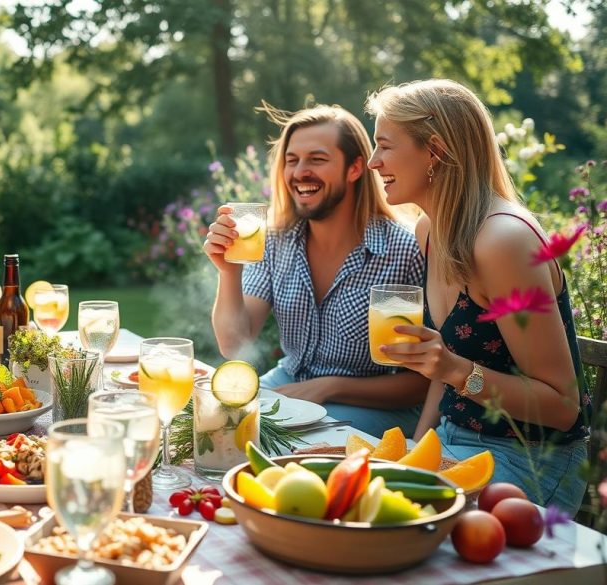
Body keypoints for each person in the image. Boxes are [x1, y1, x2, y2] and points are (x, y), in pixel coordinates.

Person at [365, 79, 590, 514]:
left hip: (527, 458)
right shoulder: (431, 230)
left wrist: (454, 369)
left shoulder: (504, 241)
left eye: (384, 146)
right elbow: (442, 367)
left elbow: (563, 407)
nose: (374, 161)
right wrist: (417, 443)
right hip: (451, 441)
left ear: (435, 151)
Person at [204, 104, 429, 439]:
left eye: (317, 159)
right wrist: (228, 271)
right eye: (291, 160)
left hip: (374, 406)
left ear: (355, 168)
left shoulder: (403, 251)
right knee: (208, 422)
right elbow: (235, 344)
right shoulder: (276, 241)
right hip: (290, 384)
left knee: (290, 441)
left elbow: (422, 384)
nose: (300, 172)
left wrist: (329, 387)